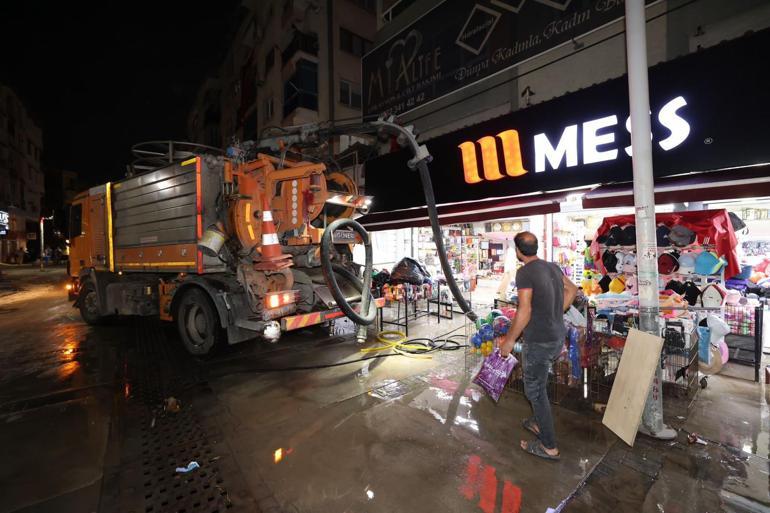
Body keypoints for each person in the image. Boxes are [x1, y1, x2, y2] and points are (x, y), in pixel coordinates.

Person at [500, 232, 578, 461]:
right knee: (538, 384)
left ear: (518, 251)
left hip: (540, 340)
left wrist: (510, 340)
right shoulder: (552, 266)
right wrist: (554, 312)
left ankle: (549, 446)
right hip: (556, 337)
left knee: (535, 390)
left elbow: (524, 310)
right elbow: (572, 290)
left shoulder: (524, 272)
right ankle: (537, 422)